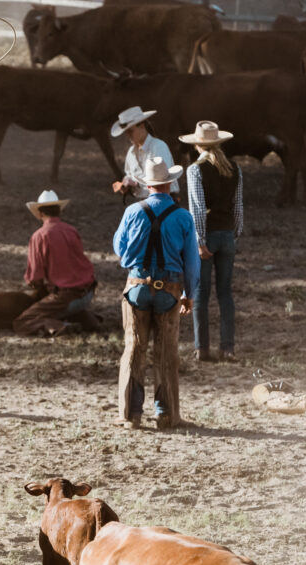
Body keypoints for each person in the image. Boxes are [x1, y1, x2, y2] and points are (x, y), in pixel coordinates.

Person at [113, 157, 200, 430]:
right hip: (170, 290)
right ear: (169, 183)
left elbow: (120, 249)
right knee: (166, 352)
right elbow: (192, 263)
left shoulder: (132, 212)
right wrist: (190, 294)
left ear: (147, 185)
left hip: (137, 287)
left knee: (133, 349)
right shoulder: (183, 217)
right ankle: (167, 414)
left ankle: (130, 415)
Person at [179, 120, 243, 363]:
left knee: (200, 293)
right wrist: (235, 232)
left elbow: (196, 208)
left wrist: (200, 240)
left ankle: (201, 348)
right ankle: (228, 348)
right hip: (227, 235)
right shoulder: (234, 168)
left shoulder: (195, 170)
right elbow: (238, 206)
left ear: (197, 145)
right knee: (225, 293)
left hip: (207, 237)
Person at [12, 190, 100, 336]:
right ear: (59, 212)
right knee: (59, 305)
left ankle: (60, 326)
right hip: (88, 291)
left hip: (66, 295)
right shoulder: (71, 230)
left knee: (22, 322)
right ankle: (89, 320)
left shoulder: (39, 236)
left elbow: (35, 278)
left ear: (40, 214)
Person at [110, 106, 179, 200]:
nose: (128, 135)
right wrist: (126, 184)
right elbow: (129, 174)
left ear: (142, 125)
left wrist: (136, 183)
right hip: (145, 203)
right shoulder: (131, 152)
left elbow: (163, 179)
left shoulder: (158, 146)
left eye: (130, 131)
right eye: (126, 132)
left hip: (164, 201)